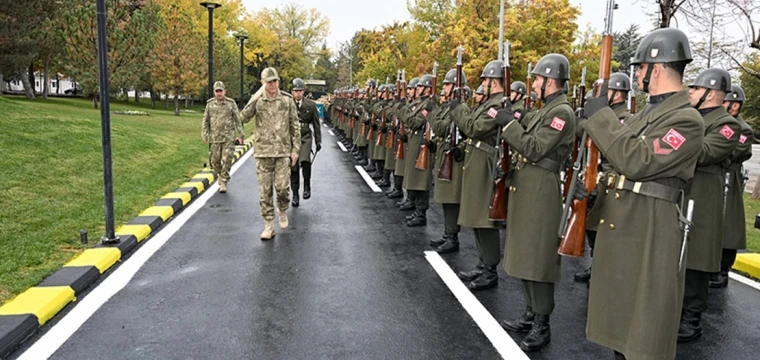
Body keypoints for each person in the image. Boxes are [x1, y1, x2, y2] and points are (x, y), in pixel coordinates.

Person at [578, 27, 704, 360]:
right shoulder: (646, 114)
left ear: (657, 67)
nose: (636, 75)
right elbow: (617, 162)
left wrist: (602, 117)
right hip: (625, 226)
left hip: (651, 231)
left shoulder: (686, 120)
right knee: (622, 327)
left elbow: (638, 160)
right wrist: (593, 191)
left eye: (640, 68)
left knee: (645, 334)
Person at [498, 54, 575, 352]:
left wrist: (510, 127)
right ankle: (530, 312)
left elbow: (535, 147)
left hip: (542, 189)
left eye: (538, 79)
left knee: (539, 258)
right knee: (526, 255)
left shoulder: (562, 113)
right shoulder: (547, 110)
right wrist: (514, 118)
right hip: (528, 186)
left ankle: (542, 323)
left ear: (550, 80)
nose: (534, 84)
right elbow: (527, 128)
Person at [679, 67, 740, 343]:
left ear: (712, 93)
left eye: (695, 88)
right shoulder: (691, 117)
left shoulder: (728, 125)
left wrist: (677, 141)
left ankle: (692, 318)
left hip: (703, 196)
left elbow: (704, 152)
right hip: (682, 192)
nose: (690, 92)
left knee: (697, 257)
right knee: (677, 256)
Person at [449, 60, 504, 291]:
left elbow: (473, 127)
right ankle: (483, 263)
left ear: (495, 81)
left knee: (484, 217)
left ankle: (490, 268)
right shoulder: (489, 103)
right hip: (476, 159)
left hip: (485, 163)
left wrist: (458, 107)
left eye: (486, 80)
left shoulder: (498, 105)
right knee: (476, 216)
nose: (483, 84)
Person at [575, 72, 633, 283]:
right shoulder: (603, 117)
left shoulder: (625, 118)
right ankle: (596, 265)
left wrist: (587, 121)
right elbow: (582, 131)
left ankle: (604, 270)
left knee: (603, 230)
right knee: (591, 226)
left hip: (609, 179)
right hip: (593, 174)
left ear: (617, 94)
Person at [240, 67, 301, 240]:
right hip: (263, 153)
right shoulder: (258, 101)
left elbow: (295, 126)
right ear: (263, 83)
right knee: (264, 192)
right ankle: (268, 225)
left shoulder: (287, 101)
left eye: (275, 81)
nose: (272, 85)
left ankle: (282, 209)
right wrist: (255, 96)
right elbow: (243, 117)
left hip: (282, 153)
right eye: (269, 82)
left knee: (282, 188)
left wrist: (295, 150)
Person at [712, 84, 754, 288]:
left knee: (729, 224)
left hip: (731, 176)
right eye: (730, 101)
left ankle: (723, 268)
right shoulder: (718, 123)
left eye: (737, 103)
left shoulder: (743, 129)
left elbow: (735, 151)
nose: (734, 106)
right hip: (717, 176)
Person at [431, 69, 468, 252]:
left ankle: (453, 237)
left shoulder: (461, 108)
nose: (444, 87)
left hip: (455, 159)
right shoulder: (448, 107)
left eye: (447, 84)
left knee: (452, 199)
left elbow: (441, 128)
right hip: (445, 155)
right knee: (446, 198)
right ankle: (447, 233)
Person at [402, 73, 436, 227]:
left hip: (422, 144)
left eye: (421, 86)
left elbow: (415, 122)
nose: (417, 89)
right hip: (415, 142)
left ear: (428, 88)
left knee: (422, 180)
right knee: (415, 178)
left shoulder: (429, 105)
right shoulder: (419, 103)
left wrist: (403, 111)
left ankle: (421, 213)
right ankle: (416, 209)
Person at [201, 81, 244, 194]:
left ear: (224, 91)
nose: (219, 93)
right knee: (215, 161)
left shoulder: (231, 103)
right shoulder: (210, 105)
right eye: (217, 91)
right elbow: (205, 121)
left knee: (226, 160)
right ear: (214, 92)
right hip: (215, 138)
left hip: (228, 138)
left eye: (221, 91)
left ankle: (224, 181)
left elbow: (237, 120)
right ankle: (220, 174)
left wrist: (240, 134)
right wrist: (204, 134)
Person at [290, 78, 322, 207]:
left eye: (300, 91)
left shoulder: (311, 105)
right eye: (296, 91)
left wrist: (318, 141)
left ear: (303, 91)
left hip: (305, 136)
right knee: (293, 166)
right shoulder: (288, 104)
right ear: (292, 92)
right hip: (291, 137)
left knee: (305, 160)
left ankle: (307, 185)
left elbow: (316, 124)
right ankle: (295, 194)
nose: (298, 93)